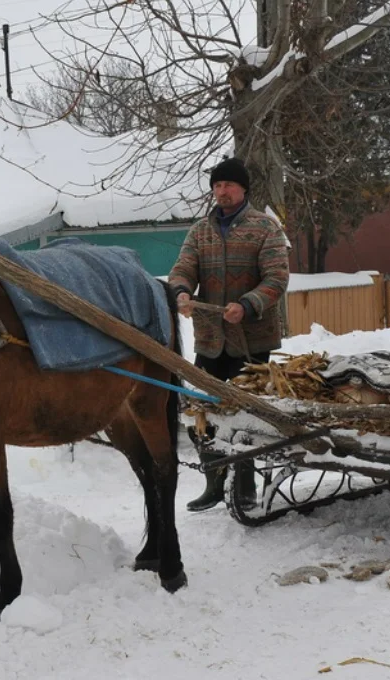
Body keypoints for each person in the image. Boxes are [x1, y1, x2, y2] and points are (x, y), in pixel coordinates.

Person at [168, 156, 290, 512]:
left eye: (228, 185)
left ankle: (245, 486)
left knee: (242, 416)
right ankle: (214, 481)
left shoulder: (265, 228)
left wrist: (248, 304)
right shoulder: (200, 231)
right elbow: (183, 268)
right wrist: (181, 292)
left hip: (251, 341)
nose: (221, 192)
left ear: (243, 189)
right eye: (217, 186)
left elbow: (277, 279)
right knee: (202, 413)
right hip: (210, 339)